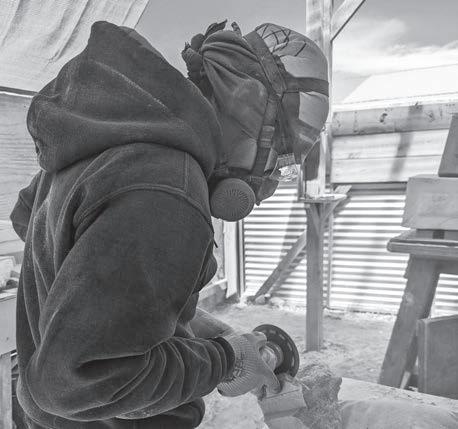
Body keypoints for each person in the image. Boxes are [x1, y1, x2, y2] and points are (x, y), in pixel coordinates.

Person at [10, 20, 329, 428]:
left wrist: (182, 320)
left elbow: (39, 229)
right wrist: (226, 360)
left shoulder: (109, 137)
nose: (271, 175)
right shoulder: (170, 188)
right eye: (282, 151)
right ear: (247, 104)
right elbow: (76, 383)